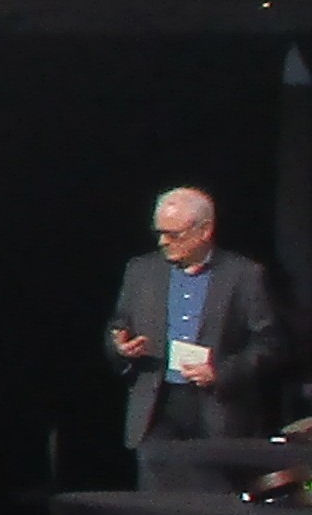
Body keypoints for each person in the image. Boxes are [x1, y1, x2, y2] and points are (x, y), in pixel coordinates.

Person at [110, 185, 285, 454]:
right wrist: (122, 349)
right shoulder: (140, 271)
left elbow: (269, 344)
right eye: (159, 233)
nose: (163, 242)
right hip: (156, 411)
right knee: (157, 493)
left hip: (218, 411)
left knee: (210, 493)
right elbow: (118, 327)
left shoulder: (244, 275)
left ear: (204, 231)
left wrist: (221, 372)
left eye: (173, 234)